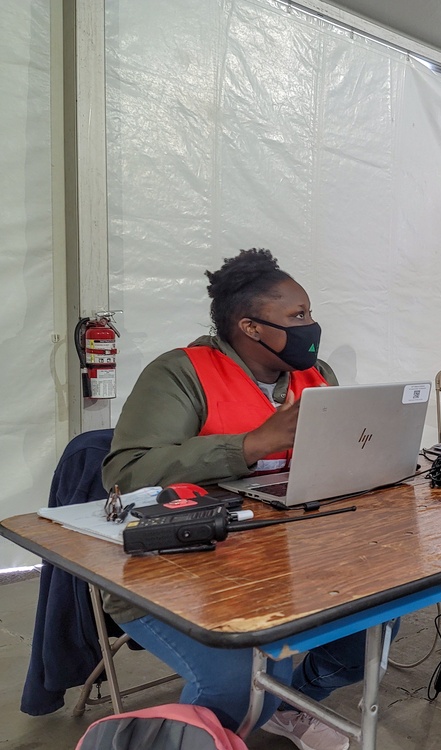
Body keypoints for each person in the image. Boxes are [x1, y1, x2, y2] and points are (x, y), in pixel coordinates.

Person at [102, 248, 385, 750]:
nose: (311, 326)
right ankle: (234, 714)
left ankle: (286, 702)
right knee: (237, 683)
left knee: (376, 623)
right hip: (179, 568)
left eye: (310, 313)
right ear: (251, 327)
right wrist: (252, 444)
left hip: (287, 558)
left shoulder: (316, 377)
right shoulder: (179, 373)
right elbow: (125, 474)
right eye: (297, 316)